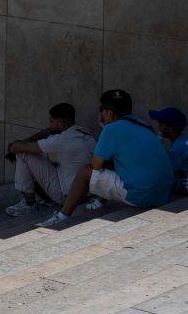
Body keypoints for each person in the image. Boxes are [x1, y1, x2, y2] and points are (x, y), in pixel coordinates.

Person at [37, 90, 174, 228]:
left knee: (85, 172)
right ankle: (100, 202)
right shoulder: (143, 124)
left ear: (110, 113)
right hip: (163, 193)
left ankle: (62, 216)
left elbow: (95, 165)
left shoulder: (112, 129)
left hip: (142, 195)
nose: (101, 113)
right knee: (113, 162)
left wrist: (105, 130)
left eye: (102, 109)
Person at [5, 103, 96, 216]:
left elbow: (17, 147)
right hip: (85, 194)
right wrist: (51, 130)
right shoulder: (85, 132)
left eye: (52, 121)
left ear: (61, 123)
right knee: (43, 156)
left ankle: (29, 204)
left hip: (66, 198)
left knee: (23, 153)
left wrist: (12, 147)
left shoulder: (61, 140)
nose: (49, 125)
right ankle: (44, 199)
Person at [149, 107, 188, 195]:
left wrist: (158, 140)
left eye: (161, 123)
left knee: (157, 176)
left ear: (171, 128)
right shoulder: (184, 138)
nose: (158, 126)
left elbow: (166, 170)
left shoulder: (177, 149)